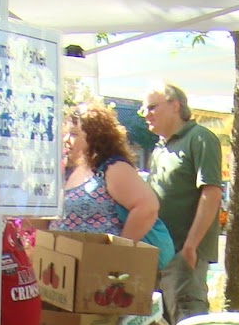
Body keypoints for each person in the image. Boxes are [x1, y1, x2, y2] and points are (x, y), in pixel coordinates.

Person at [54, 104, 174, 265]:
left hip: (99, 270)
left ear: (95, 136)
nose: (66, 140)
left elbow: (147, 208)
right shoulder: (72, 170)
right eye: (66, 134)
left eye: (74, 134)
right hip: (66, 266)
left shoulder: (112, 168)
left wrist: (117, 255)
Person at [144, 83, 223, 322]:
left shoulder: (200, 138)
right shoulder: (160, 148)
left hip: (184, 255)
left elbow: (212, 194)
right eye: (143, 110)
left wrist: (190, 247)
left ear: (175, 105)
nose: (146, 114)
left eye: (152, 107)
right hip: (158, 255)